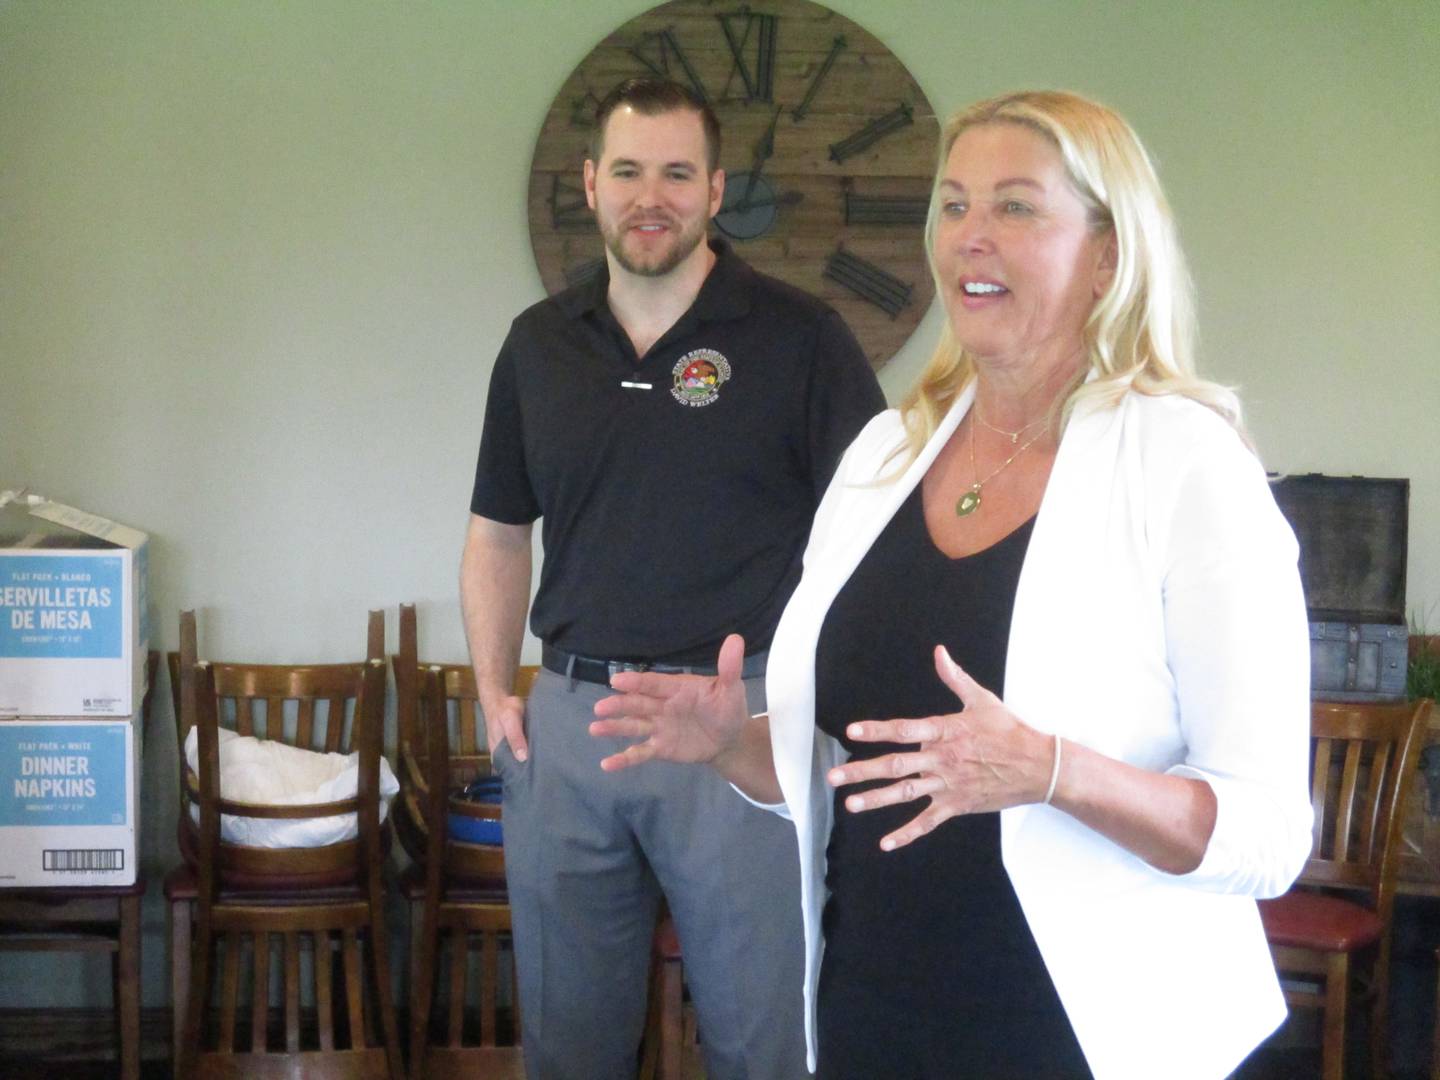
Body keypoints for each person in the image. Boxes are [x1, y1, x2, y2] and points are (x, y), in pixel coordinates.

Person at [591, 89, 1313, 1080]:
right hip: (871, 1013)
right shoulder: (887, 456)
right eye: (955, 204)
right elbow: (849, 767)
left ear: (1108, 252)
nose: (971, 236)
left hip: (1092, 1035)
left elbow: (1269, 837)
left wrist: (1051, 771)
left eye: (1016, 207)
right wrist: (729, 745)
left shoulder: (1186, 464)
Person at [460, 77, 885, 1080]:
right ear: (591, 184)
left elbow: (873, 540)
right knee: (568, 1047)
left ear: (717, 189)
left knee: (759, 1040)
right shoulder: (537, 346)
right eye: (630, 171)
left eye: (678, 174)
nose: (652, 196)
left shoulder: (803, 339)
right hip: (572, 721)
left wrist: (819, 703)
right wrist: (491, 690)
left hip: (736, 728)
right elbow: (496, 532)